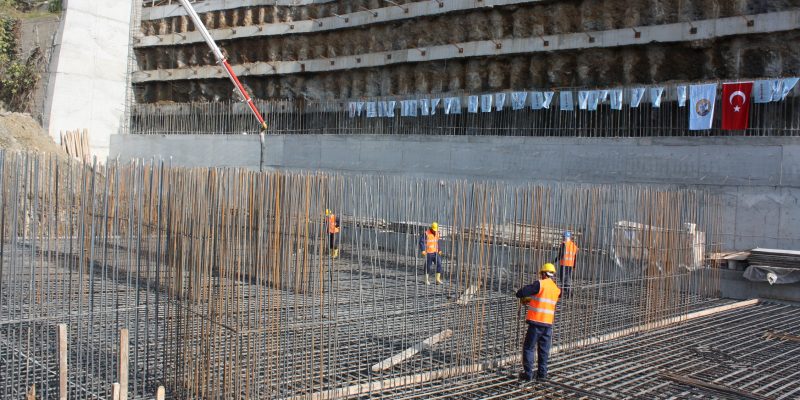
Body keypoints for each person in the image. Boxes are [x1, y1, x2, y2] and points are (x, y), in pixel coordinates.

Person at [515, 263, 561, 382]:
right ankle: (542, 375)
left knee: (529, 348)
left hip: (536, 323)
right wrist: (531, 300)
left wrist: (521, 295)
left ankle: (528, 374)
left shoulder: (540, 284)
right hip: (548, 325)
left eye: (541, 274)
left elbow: (522, 292)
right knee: (544, 350)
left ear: (544, 273)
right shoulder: (556, 289)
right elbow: (544, 300)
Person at [554, 231, 578, 297]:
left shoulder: (564, 244)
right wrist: (574, 265)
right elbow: (575, 257)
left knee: (562, 279)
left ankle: (567, 292)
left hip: (564, 264)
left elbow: (561, 255)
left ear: (565, 237)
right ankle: (568, 292)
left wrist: (554, 261)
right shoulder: (574, 245)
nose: (562, 238)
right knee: (568, 278)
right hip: (570, 265)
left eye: (563, 237)